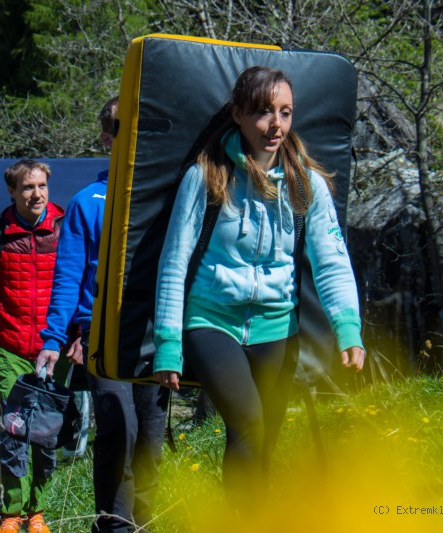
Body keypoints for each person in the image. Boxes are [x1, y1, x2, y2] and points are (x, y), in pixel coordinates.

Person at [152, 66, 366, 513]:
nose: (276, 125)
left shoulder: (308, 183)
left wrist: (348, 326)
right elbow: (173, 263)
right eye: (264, 112)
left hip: (277, 327)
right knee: (248, 423)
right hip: (210, 321)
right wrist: (168, 344)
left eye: (285, 113)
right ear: (238, 115)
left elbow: (331, 261)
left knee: (264, 439)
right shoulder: (207, 176)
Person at [36, 97, 169, 533]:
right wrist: (55, 338)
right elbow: (68, 275)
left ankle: (145, 522)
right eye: (120, 125)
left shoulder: (163, 196)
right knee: (119, 426)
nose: (129, 133)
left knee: (151, 434)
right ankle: (114, 525)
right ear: (107, 136)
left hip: (154, 330)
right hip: (102, 331)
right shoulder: (86, 202)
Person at [0, 159, 64, 533]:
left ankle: (37, 511)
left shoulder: (64, 228)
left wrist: (79, 336)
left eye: (41, 186)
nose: (36, 194)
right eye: (27, 188)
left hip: (53, 349)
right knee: (15, 432)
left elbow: (84, 283)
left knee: (45, 436)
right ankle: (11, 514)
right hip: (6, 349)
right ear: (12, 192)